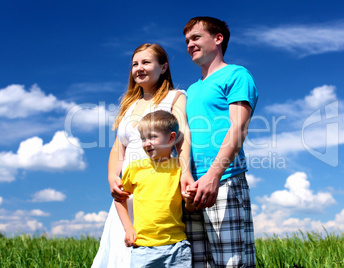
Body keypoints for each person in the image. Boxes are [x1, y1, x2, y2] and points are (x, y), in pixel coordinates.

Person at [92, 43, 193, 268]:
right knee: (124, 246)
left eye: (146, 62)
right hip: (131, 184)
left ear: (164, 67)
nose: (139, 68)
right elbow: (119, 147)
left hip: (160, 182)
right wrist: (112, 177)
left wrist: (185, 172)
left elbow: (183, 136)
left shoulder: (175, 97)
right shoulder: (129, 105)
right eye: (135, 64)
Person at [183, 16, 259, 267]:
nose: (189, 44)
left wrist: (214, 175)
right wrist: (186, 175)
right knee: (196, 263)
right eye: (187, 41)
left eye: (195, 37)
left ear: (218, 39)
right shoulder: (191, 91)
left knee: (232, 263)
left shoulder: (236, 74)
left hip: (223, 180)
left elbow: (238, 127)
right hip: (191, 187)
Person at [115, 110, 194, 267]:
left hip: (176, 247)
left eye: (152, 137)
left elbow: (189, 208)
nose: (146, 143)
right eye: (143, 138)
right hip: (143, 248)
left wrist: (190, 200)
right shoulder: (134, 168)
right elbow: (119, 198)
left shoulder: (179, 168)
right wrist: (128, 228)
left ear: (171, 138)